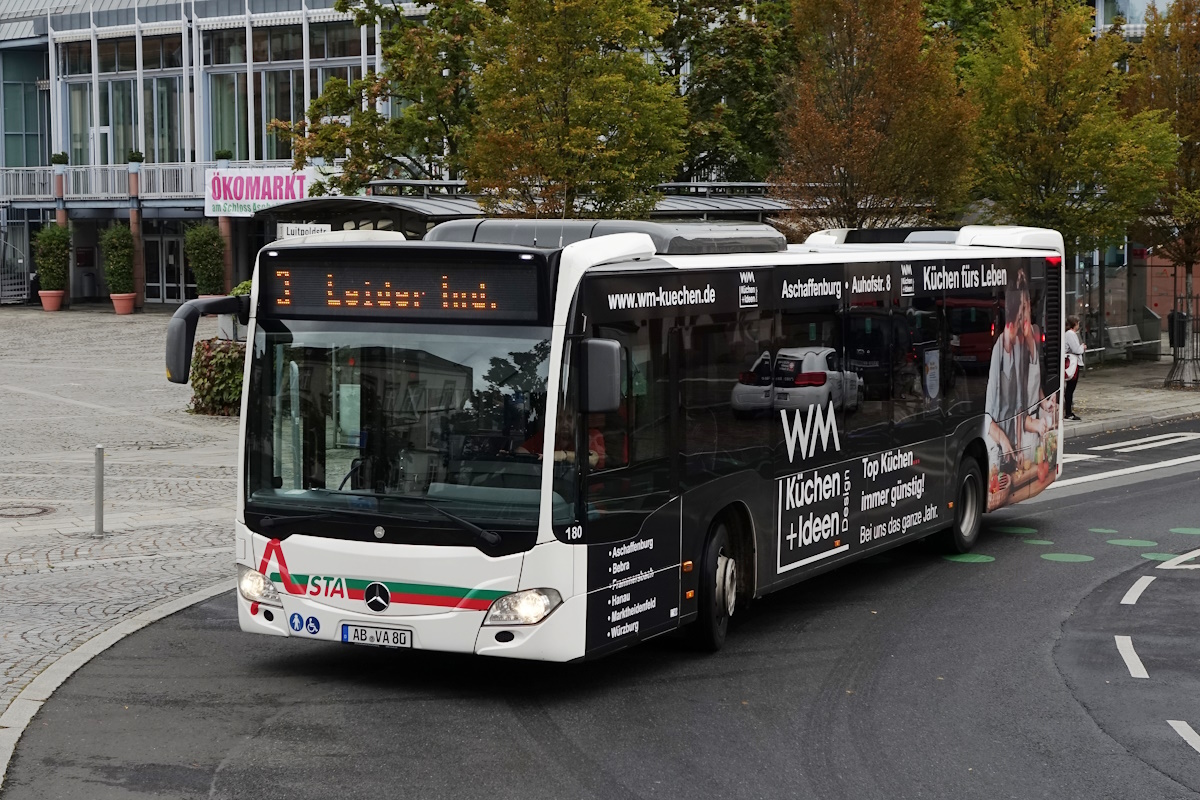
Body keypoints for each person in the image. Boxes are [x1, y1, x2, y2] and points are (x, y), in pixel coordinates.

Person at [1063, 315, 1086, 421]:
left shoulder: (1068, 334)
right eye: (1078, 323)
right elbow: (1076, 349)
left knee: (1069, 388)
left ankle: (1067, 410)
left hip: (1071, 361)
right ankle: (1068, 412)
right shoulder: (1071, 334)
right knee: (1070, 388)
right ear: (1075, 324)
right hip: (1072, 363)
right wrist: (1082, 347)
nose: (1079, 325)